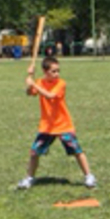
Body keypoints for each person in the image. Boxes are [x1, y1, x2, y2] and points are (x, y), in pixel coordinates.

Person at [17, 56, 96, 189]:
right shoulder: (40, 82)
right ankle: (29, 179)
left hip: (63, 125)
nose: (57, 74)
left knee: (76, 151)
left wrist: (34, 84)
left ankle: (89, 176)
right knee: (34, 152)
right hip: (47, 127)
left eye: (58, 71)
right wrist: (29, 80)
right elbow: (30, 93)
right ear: (45, 71)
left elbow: (50, 95)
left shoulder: (61, 83)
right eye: (53, 71)